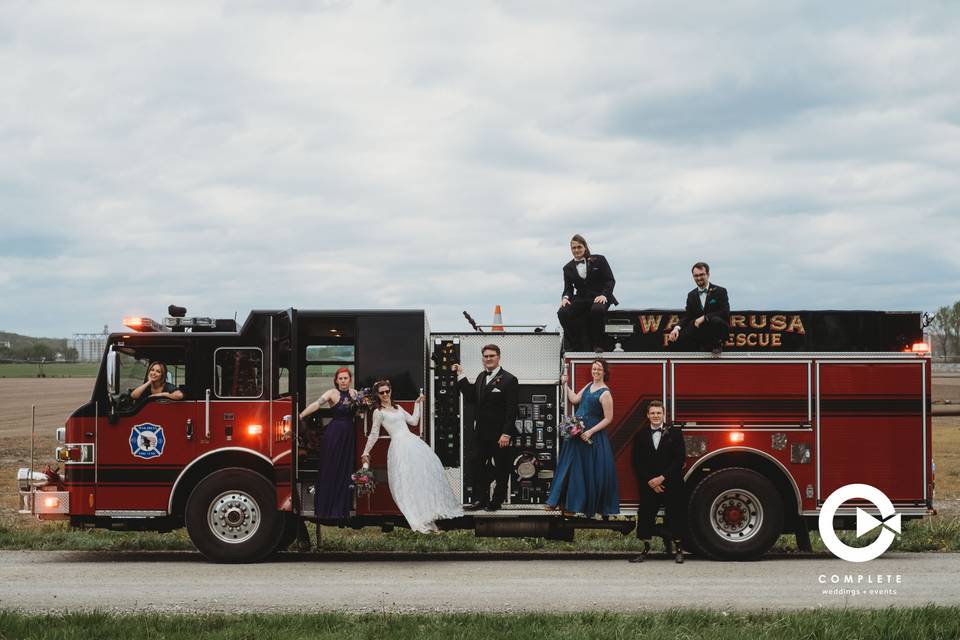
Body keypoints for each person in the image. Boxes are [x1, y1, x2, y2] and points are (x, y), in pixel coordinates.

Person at [360, 380, 464, 533]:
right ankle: (421, 519)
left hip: (412, 444)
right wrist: (366, 451)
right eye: (381, 393)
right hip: (399, 447)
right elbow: (374, 434)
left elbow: (414, 421)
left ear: (390, 391)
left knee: (422, 480)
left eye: (387, 391)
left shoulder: (398, 408)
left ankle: (431, 518)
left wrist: (418, 404)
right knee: (408, 483)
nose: (385, 395)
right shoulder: (379, 412)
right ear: (377, 395)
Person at [545, 359, 620, 517]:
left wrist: (590, 432)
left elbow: (608, 418)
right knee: (568, 466)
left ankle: (574, 507)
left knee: (582, 472)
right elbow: (574, 400)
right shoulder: (588, 386)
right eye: (594, 369)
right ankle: (558, 503)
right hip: (576, 432)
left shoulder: (605, 393)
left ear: (605, 372)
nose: (596, 371)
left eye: (599, 369)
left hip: (590, 436)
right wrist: (565, 384)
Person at [452, 344, 519, 512]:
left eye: (491, 356)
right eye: (486, 356)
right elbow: (471, 397)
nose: (488, 359)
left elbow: (512, 410)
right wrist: (461, 375)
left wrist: (506, 434)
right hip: (481, 434)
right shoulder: (482, 376)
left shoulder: (509, 380)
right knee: (477, 464)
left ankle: (496, 501)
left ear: (498, 358)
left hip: (500, 435)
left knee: (502, 469)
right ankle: (481, 500)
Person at [629, 400, 686, 564]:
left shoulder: (675, 433)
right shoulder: (640, 435)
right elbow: (637, 461)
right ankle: (645, 549)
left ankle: (679, 550)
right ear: (648, 415)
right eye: (652, 413)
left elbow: (679, 459)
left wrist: (662, 478)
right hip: (649, 484)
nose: (655, 416)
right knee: (646, 514)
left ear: (663, 414)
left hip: (672, 482)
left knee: (676, 514)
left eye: (658, 413)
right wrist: (650, 481)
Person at [299, 367, 358, 523]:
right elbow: (317, 404)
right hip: (334, 434)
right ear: (336, 380)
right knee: (331, 467)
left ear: (350, 379)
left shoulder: (355, 394)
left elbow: (360, 412)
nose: (343, 381)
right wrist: (301, 415)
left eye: (346, 378)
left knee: (345, 469)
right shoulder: (331, 393)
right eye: (340, 378)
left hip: (349, 434)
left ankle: (342, 508)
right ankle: (327, 508)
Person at [557, 234, 618, 353]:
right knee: (562, 312)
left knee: (597, 310)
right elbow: (568, 288)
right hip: (580, 298)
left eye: (579, 247)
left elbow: (610, 280)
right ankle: (574, 344)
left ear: (585, 247)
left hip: (599, 296)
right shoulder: (567, 268)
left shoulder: (599, 260)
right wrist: (565, 297)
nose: (576, 250)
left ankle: (597, 344)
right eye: (573, 248)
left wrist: (604, 295)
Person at [667, 261, 730, 355]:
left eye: (702, 275)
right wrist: (676, 328)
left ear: (708, 274)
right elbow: (687, 316)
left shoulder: (720, 291)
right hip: (699, 330)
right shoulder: (691, 295)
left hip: (716, 330)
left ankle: (716, 345)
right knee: (673, 341)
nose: (699, 278)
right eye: (696, 276)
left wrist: (705, 317)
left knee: (716, 320)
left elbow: (724, 312)